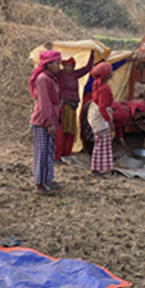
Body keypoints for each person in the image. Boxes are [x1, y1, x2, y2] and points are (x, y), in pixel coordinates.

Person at [30, 49, 62, 195]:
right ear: (48, 64)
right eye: (56, 63)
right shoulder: (43, 79)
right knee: (41, 153)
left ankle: (48, 179)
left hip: (50, 119)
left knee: (49, 152)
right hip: (42, 121)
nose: (59, 66)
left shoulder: (50, 78)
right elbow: (44, 104)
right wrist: (49, 122)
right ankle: (39, 185)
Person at [55, 53, 95, 160]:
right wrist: (49, 50)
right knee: (61, 130)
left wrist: (92, 55)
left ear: (73, 67)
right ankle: (58, 155)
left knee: (70, 131)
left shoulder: (75, 74)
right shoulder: (59, 74)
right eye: (65, 65)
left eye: (69, 66)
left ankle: (66, 153)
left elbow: (87, 68)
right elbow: (49, 64)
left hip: (73, 107)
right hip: (63, 106)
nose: (67, 68)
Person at [89, 62, 114, 176]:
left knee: (100, 141)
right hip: (99, 115)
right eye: (111, 71)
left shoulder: (98, 84)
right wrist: (109, 121)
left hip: (96, 112)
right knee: (102, 141)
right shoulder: (104, 88)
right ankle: (96, 169)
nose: (113, 73)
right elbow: (103, 107)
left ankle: (99, 167)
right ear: (107, 75)